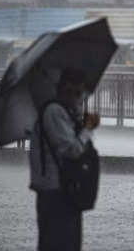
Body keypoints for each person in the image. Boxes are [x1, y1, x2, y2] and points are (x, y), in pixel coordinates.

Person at [29, 68, 100, 251]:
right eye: (72, 92)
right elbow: (72, 150)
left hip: (65, 191)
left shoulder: (64, 112)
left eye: (79, 93)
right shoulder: (54, 112)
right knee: (58, 244)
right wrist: (87, 129)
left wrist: (81, 123)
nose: (76, 97)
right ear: (61, 89)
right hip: (55, 192)